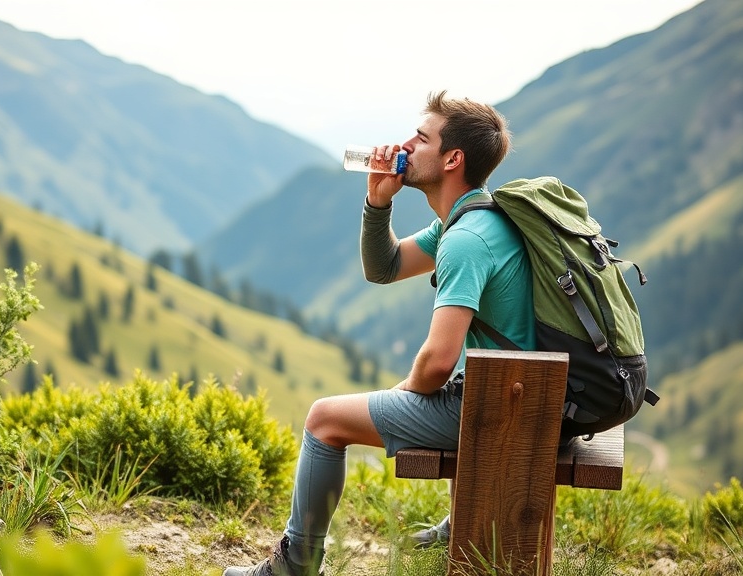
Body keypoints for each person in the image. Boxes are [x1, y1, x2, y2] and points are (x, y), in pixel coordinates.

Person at [223, 90, 535, 576]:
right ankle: (461, 522)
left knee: (325, 418)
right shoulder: (478, 218)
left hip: (505, 412)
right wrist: (376, 202)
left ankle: (294, 567)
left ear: (453, 159)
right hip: (522, 398)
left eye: (421, 137)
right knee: (456, 386)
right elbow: (386, 267)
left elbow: (437, 362)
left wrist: (404, 394)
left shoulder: (466, 240)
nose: (406, 144)